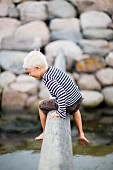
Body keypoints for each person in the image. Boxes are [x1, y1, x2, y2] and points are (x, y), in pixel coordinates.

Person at [23, 50, 89, 145]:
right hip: (77, 99)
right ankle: (81, 133)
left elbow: (61, 93)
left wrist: (60, 112)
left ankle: (45, 132)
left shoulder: (48, 78)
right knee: (76, 110)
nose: (30, 75)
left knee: (41, 106)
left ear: (37, 68)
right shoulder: (53, 70)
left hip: (68, 103)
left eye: (29, 72)